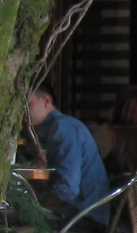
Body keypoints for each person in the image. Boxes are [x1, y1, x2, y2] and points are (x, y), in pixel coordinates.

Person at [23, 85, 111, 225]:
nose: (23, 111)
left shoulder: (64, 127)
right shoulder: (53, 129)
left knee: (9, 219)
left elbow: (66, 189)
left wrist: (37, 209)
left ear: (46, 100)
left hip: (82, 217)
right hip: (80, 213)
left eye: (28, 104)